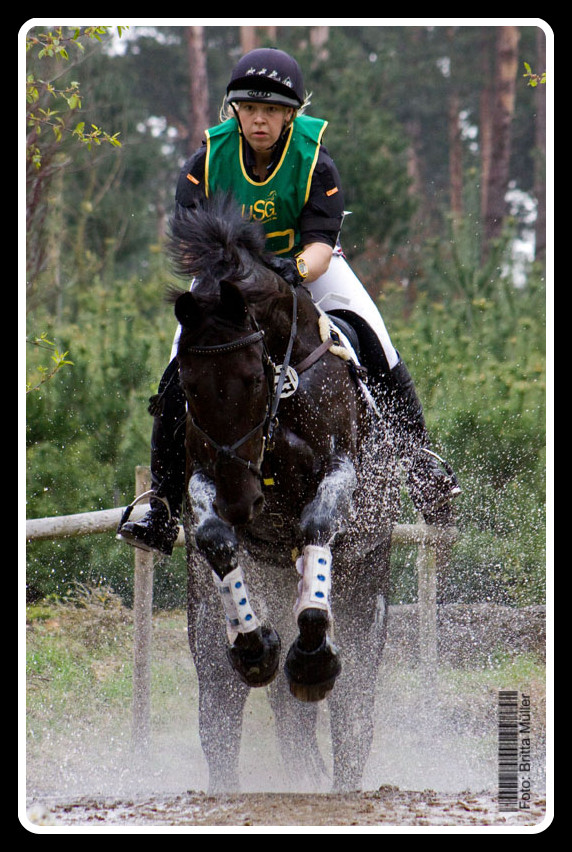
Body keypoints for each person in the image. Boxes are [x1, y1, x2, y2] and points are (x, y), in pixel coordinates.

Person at [118, 47, 460, 557]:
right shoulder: (203, 163)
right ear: (234, 110)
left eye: (272, 110)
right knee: (177, 366)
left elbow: (320, 247)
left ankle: (420, 463)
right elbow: (191, 244)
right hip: (227, 277)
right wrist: (235, 274)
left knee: (372, 336)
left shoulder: (316, 162)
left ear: (289, 114)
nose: (260, 119)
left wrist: (288, 270)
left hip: (303, 270)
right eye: (250, 108)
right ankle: (162, 504)